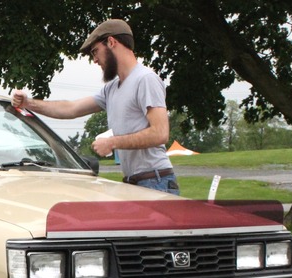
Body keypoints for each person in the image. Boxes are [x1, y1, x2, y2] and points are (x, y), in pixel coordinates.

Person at [11, 19, 179, 194]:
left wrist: (112, 142)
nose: (95, 60)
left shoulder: (145, 79)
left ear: (112, 42)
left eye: (95, 51)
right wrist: (28, 103)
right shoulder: (111, 89)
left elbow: (160, 133)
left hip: (156, 182)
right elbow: (71, 108)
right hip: (134, 183)